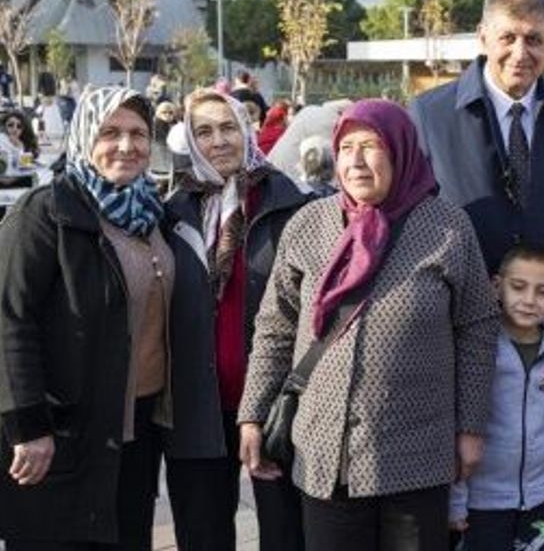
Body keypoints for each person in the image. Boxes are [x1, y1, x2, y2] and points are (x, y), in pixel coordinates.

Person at [238, 99, 500, 550]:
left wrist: (471, 427)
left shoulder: (448, 228)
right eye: (346, 147)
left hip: (415, 455)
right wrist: (252, 415)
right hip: (324, 450)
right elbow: (276, 327)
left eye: (371, 146)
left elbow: (477, 328)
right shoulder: (309, 224)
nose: (355, 161)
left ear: (401, 151)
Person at [0, 87, 172, 549]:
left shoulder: (152, 213)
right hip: (63, 430)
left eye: (138, 133)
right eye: (110, 132)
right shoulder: (45, 212)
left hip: (135, 427)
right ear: (83, 136)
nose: (126, 145)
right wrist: (28, 426)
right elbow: (10, 320)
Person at [163, 89, 313, 551]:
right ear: (189, 140)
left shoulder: (291, 206)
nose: (219, 141)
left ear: (247, 130)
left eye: (228, 127)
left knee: (284, 533)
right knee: (202, 534)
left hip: (273, 405)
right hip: (196, 407)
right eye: (204, 131)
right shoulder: (171, 212)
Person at [409, 0, 544, 272]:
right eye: (508, 38)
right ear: (482, 37)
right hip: (460, 308)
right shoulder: (429, 116)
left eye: (533, 40)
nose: (520, 54)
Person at [449, 244, 544, 550]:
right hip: (485, 500)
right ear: (497, 287)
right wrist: (456, 499)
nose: (528, 300)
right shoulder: (479, 346)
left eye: (542, 292)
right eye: (518, 287)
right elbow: (459, 426)